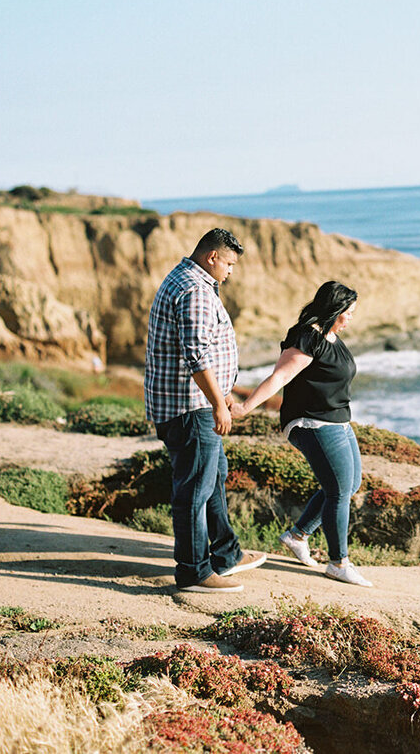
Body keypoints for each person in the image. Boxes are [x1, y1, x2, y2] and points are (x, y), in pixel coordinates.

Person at [144, 228, 267, 593]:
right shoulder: (196, 291)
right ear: (212, 256)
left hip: (191, 402)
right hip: (190, 407)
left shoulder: (185, 277)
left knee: (213, 475)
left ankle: (226, 554)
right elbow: (196, 356)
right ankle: (193, 572)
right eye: (228, 263)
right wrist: (217, 403)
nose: (231, 271)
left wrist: (224, 393)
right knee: (194, 489)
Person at [232, 280, 371, 587]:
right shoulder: (308, 336)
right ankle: (338, 563)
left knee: (350, 485)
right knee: (337, 491)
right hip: (311, 422)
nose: (350, 318)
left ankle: (297, 536)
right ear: (334, 309)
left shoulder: (333, 337)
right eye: (347, 312)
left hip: (337, 421)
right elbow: (279, 376)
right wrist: (245, 408)